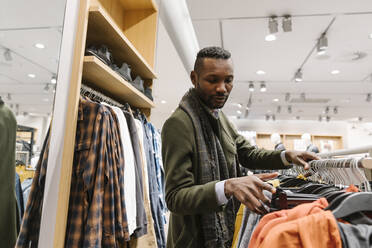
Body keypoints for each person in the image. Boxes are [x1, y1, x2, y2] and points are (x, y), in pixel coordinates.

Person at [161, 47, 318, 248]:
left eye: (228, 80)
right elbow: (175, 197)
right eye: (212, 80)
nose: (222, 88)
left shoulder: (219, 117)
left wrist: (286, 155)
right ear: (194, 78)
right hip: (193, 240)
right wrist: (227, 186)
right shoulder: (179, 124)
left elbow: (248, 153)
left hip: (225, 235)